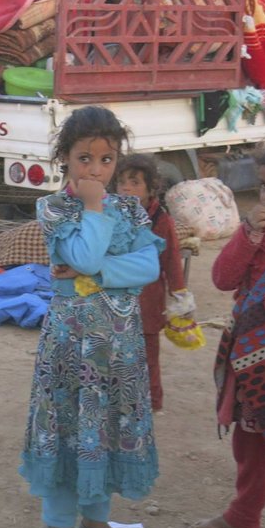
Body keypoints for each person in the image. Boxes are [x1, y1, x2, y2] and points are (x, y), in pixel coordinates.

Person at [19, 106, 164, 528]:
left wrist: (97, 271)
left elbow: (149, 266)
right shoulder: (54, 207)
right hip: (71, 346)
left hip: (118, 348)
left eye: (106, 159)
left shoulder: (131, 207)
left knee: (106, 428)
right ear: (64, 157)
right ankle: (60, 525)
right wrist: (95, 210)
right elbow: (82, 251)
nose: (96, 170)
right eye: (85, 158)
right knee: (68, 427)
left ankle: (98, 523)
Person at [188, 146, 265, 528]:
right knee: (249, 439)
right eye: (264, 185)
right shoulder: (257, 229)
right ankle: (243, 515)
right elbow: (223, 278)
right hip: (253, 354)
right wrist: (249, 234)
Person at [116, 153, 189, 413]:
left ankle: (153, 404)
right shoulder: (111, 215)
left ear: (150, 189)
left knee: (148, 358)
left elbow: (170, 261)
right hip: (116, 300)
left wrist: (181, 295)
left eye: (135, 183)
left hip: (148, 301)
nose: (126, 188)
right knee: (116, 356)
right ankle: (121, 403)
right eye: (122, 182)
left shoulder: (161, 220)